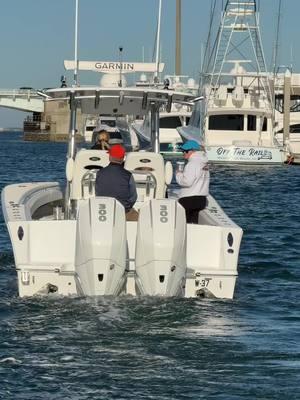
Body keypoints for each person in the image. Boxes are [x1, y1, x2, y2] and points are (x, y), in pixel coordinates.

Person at [95, 144, 138, 221]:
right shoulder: (128, 175)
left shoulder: (100, 173)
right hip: (123, 212)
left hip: (104, 211)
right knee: (141, 219)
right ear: (122, 158)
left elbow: (98, 193)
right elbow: (133, 197)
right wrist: (126, 208)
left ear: (110, 157)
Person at [175, 140, 210, 224]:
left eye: (185, 151)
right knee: (194, 223)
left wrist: (178, 175)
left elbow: (187, 182)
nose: (183, 153)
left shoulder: (192, 163)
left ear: (193, 151)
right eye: (182, 151)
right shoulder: (204, 163)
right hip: (201, 199)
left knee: (184, 224)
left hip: (189, 199)